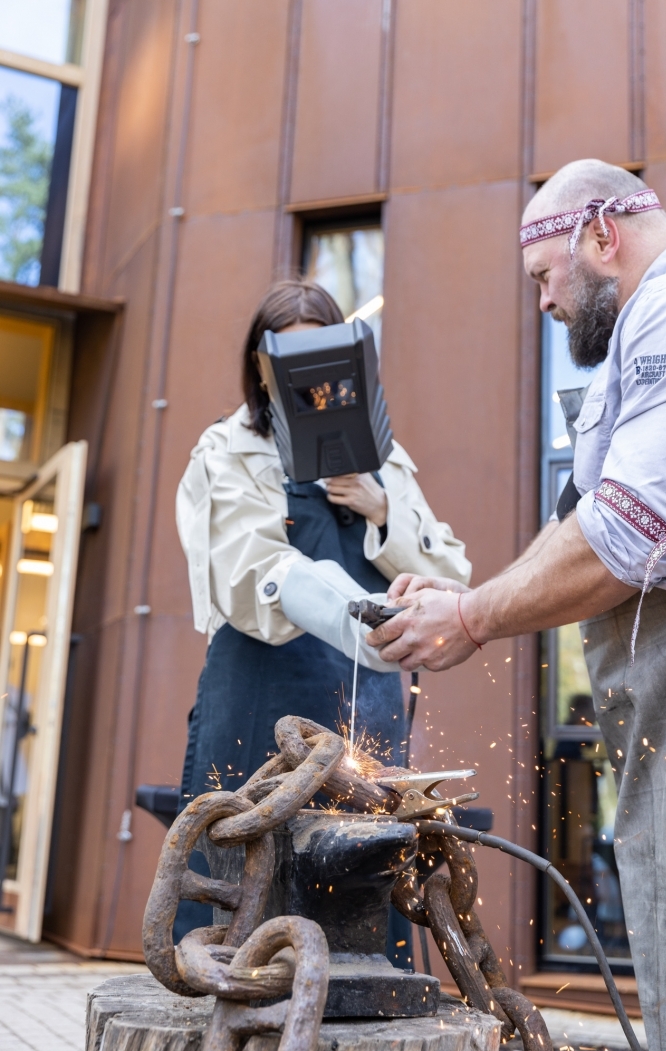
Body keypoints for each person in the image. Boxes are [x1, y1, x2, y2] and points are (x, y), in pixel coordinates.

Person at [368, 159, 666, 1051]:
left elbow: (629, 537)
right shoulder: (628, 352)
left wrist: (475, 620)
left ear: (601, 235)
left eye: (542, 277)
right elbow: (575, 521)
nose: (542, 304)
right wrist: (459, 595)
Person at [175, 279, 471, 959]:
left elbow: (453, 573)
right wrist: (355, 617)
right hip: (256, 689)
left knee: (365, 879)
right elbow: (244, 571)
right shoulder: (226, 450)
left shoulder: (387, 461)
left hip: (363, 701)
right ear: (260, 364)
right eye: (287, 356)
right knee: (239, 877)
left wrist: (382, 509)